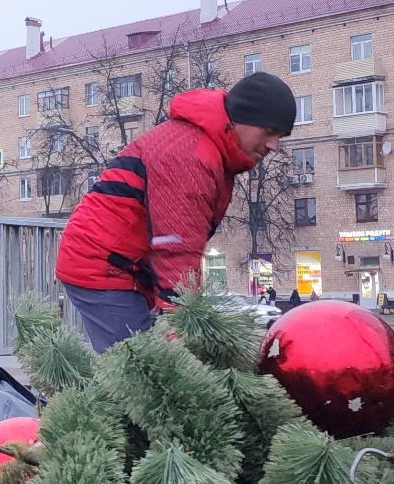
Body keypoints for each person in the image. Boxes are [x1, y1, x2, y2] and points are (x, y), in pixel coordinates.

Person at [56, 72, 296, 352]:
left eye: (280, 137)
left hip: (123, 265)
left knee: (149, 365)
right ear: (241, 118)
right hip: (101, 264)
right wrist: (181, 321)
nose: (273, 146)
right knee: (141, 373)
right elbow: (176, 246)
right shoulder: (189, 154)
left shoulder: (209, 149)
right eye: (269, 133)